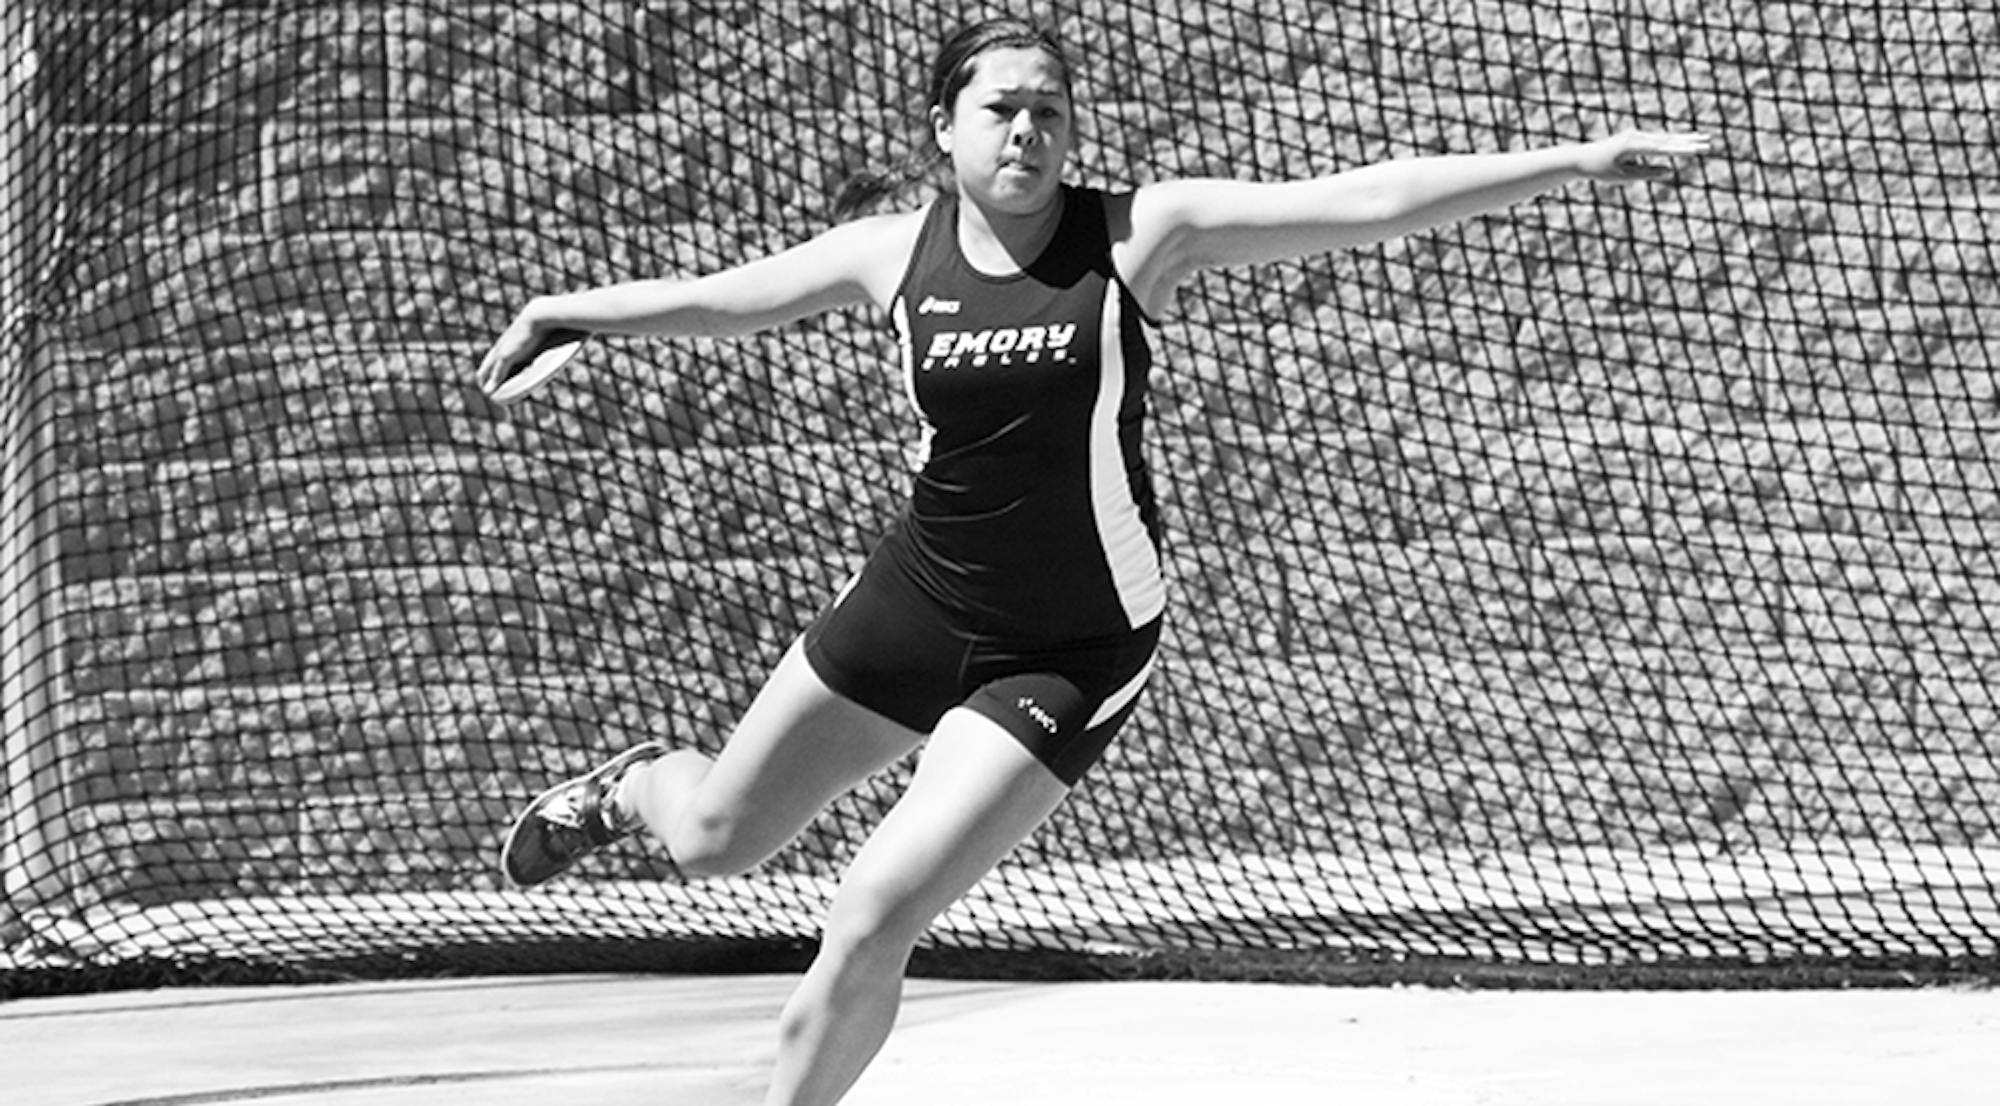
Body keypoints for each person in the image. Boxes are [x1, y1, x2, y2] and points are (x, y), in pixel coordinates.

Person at [477, 16, 1711, 1105]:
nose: (1027, 131)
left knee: (870, 911)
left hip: (1066, 648)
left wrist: (1570, 161)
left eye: (1048, 111)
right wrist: (570, 308)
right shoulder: (889, 253)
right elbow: (725, 299)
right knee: (707, 841)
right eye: (1000, 108)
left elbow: (1364, 196)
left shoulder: (1137, 235)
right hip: (912, 600)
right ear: (943, 128)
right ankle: (632, 783)